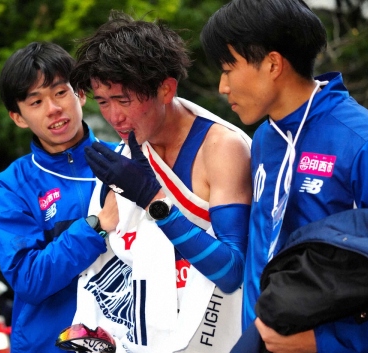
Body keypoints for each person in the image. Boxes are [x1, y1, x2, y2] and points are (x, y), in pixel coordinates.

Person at [66, 11, 252, 353]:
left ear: (166, 88)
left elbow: (232, 271)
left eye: (123, 100)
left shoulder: (221, 148)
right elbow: (116, 262)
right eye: (103, 102)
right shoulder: (124, 154)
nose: (114, 116)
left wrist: (153, 198)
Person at [200, 0, 368, 352]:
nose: (222, 86)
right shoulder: (264, 138)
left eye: (229, 69)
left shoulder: (359, 141)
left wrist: (326, 342)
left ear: (273, 64)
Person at [0, 41, 118, 353]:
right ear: (18, 117)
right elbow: (29, 279)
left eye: (61, 92)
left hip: (127, 342)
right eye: (35, 102)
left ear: (81, 94)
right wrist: (97, 225)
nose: (54, 108)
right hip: (49, 345)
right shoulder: (8, 188)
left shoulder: (128, 160)